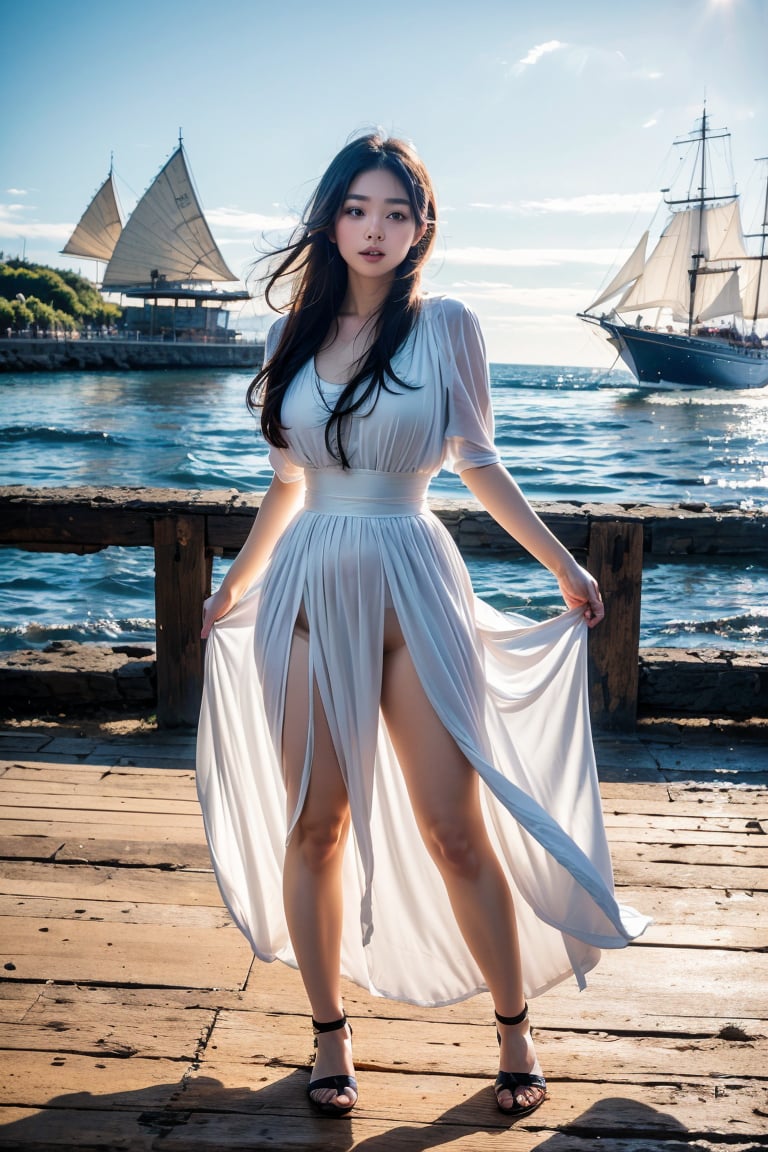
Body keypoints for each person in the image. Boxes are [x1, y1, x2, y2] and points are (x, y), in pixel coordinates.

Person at [196, 132, 649, 1122]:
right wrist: (234, 583)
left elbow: (478, 463)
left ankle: (514, 1027)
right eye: (358, 209)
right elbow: (285, 484)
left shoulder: (448, 326)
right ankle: (329, 1035)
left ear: (421, 229)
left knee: (456, 828)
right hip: (308, 591)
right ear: (330, 218)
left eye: (398, 213)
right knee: (318, 826)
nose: (376, 229)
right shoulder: (290, 340)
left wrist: (563, 564)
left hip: (414, 579)